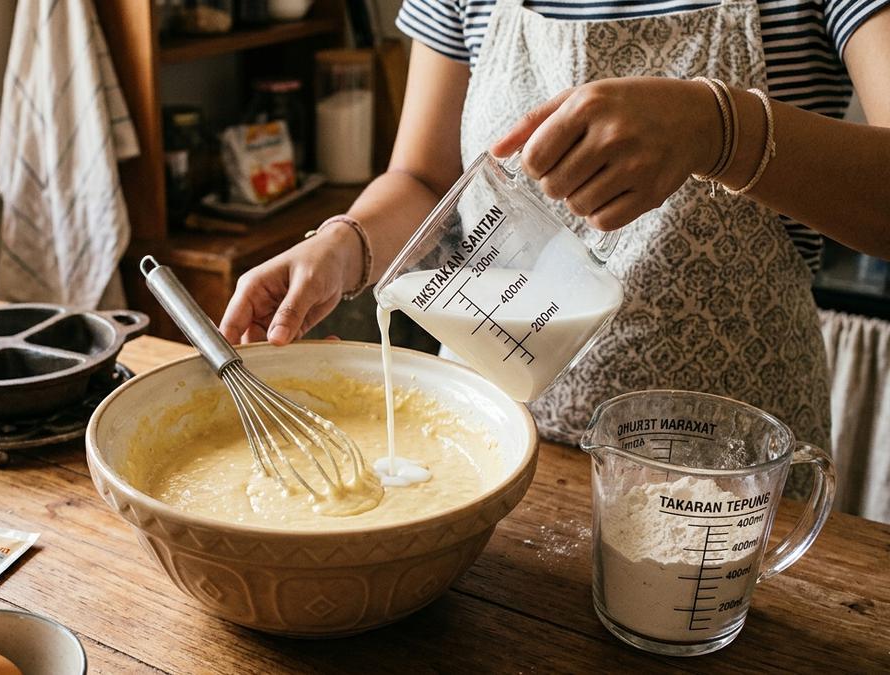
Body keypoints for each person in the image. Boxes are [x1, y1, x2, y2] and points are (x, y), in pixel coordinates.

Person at [219, 0, 890, 492]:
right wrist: (343, 240)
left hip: (724, 491)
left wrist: (719, 128)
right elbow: (424, 179)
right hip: (487, 457)